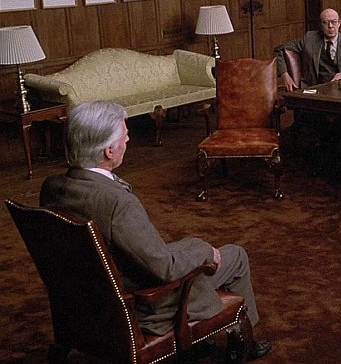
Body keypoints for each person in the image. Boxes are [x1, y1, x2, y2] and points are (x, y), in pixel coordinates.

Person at [39, 101, 272, 360]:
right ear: (109, 150)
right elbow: (164, 268)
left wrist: (194, 246)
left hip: (88, 302)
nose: (128, 139)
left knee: (191, 246)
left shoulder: (52, 187)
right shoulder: (118, 204)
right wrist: (206, 252)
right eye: (125, 135)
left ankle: (206, 337)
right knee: (235, 256)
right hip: (144, 305)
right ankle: (245, 343)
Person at [274, 8, 341, 91]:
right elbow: (279, 50)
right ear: (321, 24)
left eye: (334, 22)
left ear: (339, 23)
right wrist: (285, 75)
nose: (330, 26)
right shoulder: (310, 39)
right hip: (316, 89)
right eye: (325, 22)